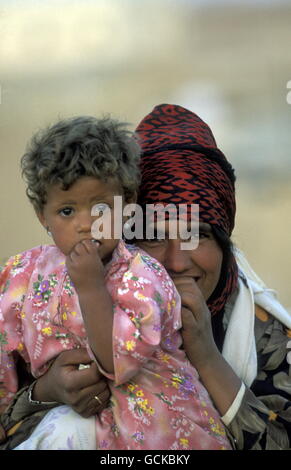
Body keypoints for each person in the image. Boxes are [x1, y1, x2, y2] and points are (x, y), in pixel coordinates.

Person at [1, 103, 291, 450]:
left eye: (196, 235)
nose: (176, 262)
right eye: (152, 236)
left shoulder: (265, 336)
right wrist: (44, 393)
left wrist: (207, 357)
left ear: (224, 239)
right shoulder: (47, 298)